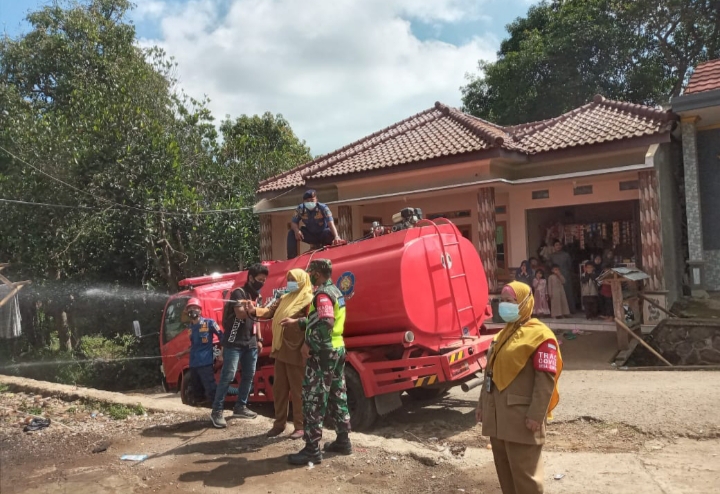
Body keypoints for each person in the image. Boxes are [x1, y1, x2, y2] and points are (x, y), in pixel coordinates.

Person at [476, 281, 563, 494]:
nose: (504, 305)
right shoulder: (503, 334)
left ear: (525, 303)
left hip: (522, 419)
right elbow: (490, 372)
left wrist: (536, 415)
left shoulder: (541, 337)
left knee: (526, 479)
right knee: (505, 474)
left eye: (510, 301)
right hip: (498, 418)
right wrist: (482, 405)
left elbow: (545, 380)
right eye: (502, 300)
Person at [281, 259, 352, 465]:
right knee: (337, 395)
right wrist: (298, 322)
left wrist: (309, 344)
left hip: (323, 353)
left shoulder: (322, 294)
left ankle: (312, 449)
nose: (309, 276)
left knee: (313, 399)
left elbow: (326, 321)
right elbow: (319, 318)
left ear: (317, 274)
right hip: (337, 349)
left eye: (311, 272)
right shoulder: (335, 291)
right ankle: (343, 440)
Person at [210, 263, 269, 428]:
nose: (262, 283)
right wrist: (253, 309)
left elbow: (256, 319)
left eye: (264, 280)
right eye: (259, 279)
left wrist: (259, 339)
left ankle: (240, 406)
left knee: (249, 376)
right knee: (228, 376)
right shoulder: (239, 293)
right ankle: (217, 410)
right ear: (250, 278)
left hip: (250, 343)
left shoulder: (257, 296)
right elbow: (241, 314)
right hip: (234, 342)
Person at [258, 269, 314, 439]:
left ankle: (300, 426)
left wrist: (305, 340)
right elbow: (268, 312)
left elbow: (313, 323)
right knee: (279, 389)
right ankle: (279, 424)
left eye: (293, 280)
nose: (290, 283)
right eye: (288, 279)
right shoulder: (284, 298)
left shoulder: (309, 300)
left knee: (298, 391)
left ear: (302, 281)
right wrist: (253, 310)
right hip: (281, 348)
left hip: (297, 350)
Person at [175, 298, 223, 404]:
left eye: (195, 308)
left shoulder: (209, 323)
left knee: (211, 389)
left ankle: (217, 409)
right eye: (190, 308)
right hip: (193, 364)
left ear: (200, 310)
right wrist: (182, 353)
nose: (192, 310)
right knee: (197, 392)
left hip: (205, 363)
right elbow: (194, 346)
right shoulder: (190, 328)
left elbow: (222, 338)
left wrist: (221, 355)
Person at [287, 190, 341, 259]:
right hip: (311, 234)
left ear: (316, 200)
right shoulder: (300, 209)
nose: (310, 202)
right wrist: (296, 230)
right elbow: (294, 222)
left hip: (323, 233)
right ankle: (291, 258)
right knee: (292, 233)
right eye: (307, 201)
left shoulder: (323, 208)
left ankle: (335, 254)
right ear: (303, 202)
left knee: (331, 233)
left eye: (312, 200)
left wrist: (336, 236)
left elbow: (331, 223)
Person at [549, 240, 576, 313]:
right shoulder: (551, 256)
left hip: (565, 274)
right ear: (554, 247)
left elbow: (570, 265)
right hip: (555, 276)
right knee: (557, 294)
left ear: (561, 246)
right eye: (556, 245)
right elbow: (550, 266)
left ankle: (570, 310)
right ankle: (559, 312)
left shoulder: (566, 255)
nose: (558, 246)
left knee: (567, 293)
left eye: (559, 245)